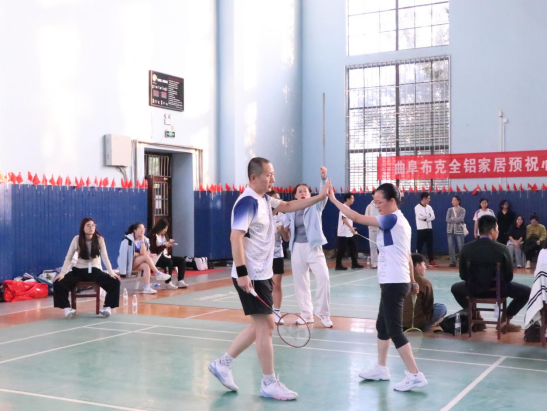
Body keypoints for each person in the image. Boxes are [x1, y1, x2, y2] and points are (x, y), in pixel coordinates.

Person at [208, 157, 330, 401]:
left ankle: (223, 364)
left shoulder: (264, 199)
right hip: (250, 275)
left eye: (273, 174)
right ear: (254, 177)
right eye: (268, 174)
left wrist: (319, 197)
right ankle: (268, 382)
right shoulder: (247, 202)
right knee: (266, 327)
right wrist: (242, 273)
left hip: (262, 274)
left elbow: (288, 205)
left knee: (261, 326)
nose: (273, 178)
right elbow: (235, 237)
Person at [327, 182, 427, 392]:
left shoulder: (392, 219)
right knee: (382, 327)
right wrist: (413, 281)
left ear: (392, 201)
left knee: (395, 331)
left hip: (394, 282)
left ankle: (415, 375)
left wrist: (333, 199)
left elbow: (356, 217)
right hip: (394, 281)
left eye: (380, 202)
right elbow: (408, 256)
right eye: (375, 202)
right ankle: (381, 368)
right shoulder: (396, 221)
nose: (377, 206)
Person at [451, 215, 532, 332]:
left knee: (455, 288)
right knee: (527, 292)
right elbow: (508, 276)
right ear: (492, 231)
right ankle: (505, 320)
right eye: (497, 229)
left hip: (473, 289)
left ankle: (476, 316)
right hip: (498, 290)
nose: (498, 232)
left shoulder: (466, 248)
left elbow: (463, 275)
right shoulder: (502, 249)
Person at [285, 167, 333, 328]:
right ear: (295, 195)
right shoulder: (291, 209)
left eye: (305, 191)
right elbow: (286, 227)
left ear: (310, 194)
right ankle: (306, 314)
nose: (303, 193)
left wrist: (323, 178)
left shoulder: (315, 205)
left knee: (324, 278)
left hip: (313, 247)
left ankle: (324, 314)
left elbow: (323, 195)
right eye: (299, 191)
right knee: (300, 282)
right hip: (297, 248)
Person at [53, 218, 121, 319]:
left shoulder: (99, 239)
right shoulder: (77, 239)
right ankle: (67, 309)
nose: (91, 227)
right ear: (83, 228)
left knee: (115, 281)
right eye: (88, 225)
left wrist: (111, 273)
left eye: (93, 225)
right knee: (58, 283)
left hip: (94, 270)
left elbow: (105, 257)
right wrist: (62, 273)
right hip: (78, 270)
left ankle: (107, 307)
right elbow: (69, 257)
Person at [117, 222, 170, 294]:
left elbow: (143, 252)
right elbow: (128, 254)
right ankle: (157, 273)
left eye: (144, 229)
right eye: (140, 229)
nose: (142, 230)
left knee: (146, 266)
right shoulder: (127, 240)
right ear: (135, 230)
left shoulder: (145, 240)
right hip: (128, 263)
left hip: (137, 263)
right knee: (145, 257)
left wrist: (142, 240)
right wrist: (139, 254)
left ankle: (147, 287)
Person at [403, 254, 447, 331]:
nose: (425, 268)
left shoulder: (400, 279)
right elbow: (428, 308)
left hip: (399, 323)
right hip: (418, 324)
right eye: (424, 264)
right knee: (441, 307)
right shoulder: (425, 283)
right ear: (417, 266)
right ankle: (429, 324)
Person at [267, 190, 290, 324]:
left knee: (276, 285)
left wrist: (281, 231)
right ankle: (265, 313)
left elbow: (287, 238)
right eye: (275, 199)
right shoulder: (261, 215)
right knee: (264, 286)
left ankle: (276, 312)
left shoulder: (283, 217)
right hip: (263, 256)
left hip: (277, 255)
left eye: (279, 199)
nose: (278, 201)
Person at [149, 219, 188, 289]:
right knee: (168, 261)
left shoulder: (164, 236)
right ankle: (168, 282)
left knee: (181, 260)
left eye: (167, 228)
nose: (166, 230)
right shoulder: (153, 236)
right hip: (156, 258)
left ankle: (180, 280)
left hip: (164, 256)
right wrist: (164, 246)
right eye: (165, 228)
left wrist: (169, 245)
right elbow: (153, 250)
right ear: (160, 227)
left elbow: (166, 251)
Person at [336, 193, 363, 270]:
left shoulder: (348, 208)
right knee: (342, 249)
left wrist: (351, 228)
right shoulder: (343, 207)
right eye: (352, 198)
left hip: (349, 233)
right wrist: (351, 228)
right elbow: (344, 219)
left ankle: (354, 264)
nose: (353, 200)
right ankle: (338, 265)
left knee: (353, 247)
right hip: (343, 233)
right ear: (347, 199)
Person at [414, 192, 437, 267]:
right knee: (419, 246)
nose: (429, 200)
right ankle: (417, 261)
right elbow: (420, 217)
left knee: (430, 245)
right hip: (421, 229)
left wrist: (426, 217)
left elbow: (433, 216)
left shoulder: (429, 207)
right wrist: (428, 216)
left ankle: (431, 260)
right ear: (424, 198)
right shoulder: (417, 207)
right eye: (428, 198)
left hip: (429, 229)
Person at [446, 196, 466, 267]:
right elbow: (447, 219)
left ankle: (463, 261)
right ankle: (453, 261)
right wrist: (456, 219)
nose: (453, 201)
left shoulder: (462, 210)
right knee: (451, 246)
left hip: (459, 230)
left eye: (454, 200)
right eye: (452, 200)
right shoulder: (449, 210)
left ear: (458, 201)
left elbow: (461, 219)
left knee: (461, 246)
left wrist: (452, 219)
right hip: (450, 230)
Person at [364, 191, 379, 268]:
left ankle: (382, 263)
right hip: (372, 229)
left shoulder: (381, 205)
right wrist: (371, 223)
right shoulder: (369, 206)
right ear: (372, 195)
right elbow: (366, 218)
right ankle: (374, 263)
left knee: (382, 247)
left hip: (380, 229)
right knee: (373, 247)